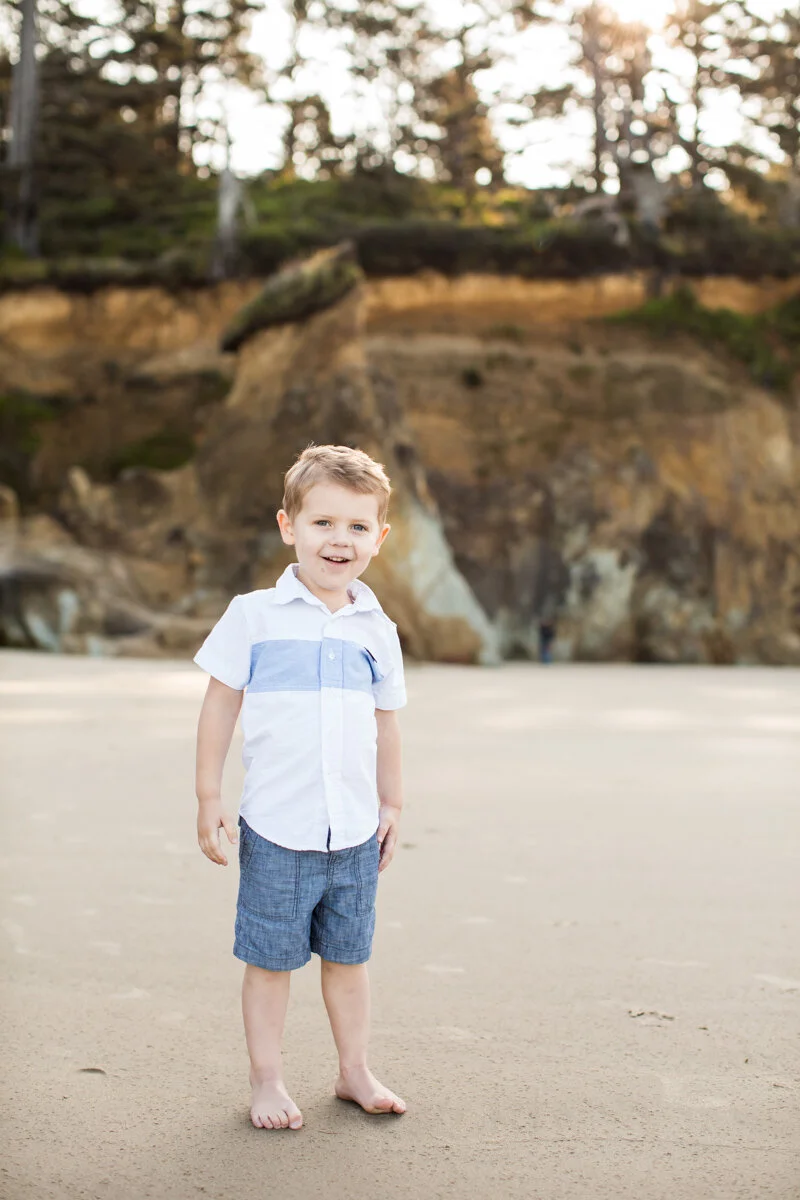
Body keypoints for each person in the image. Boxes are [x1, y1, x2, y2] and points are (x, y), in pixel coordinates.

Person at [193, 444, 407, 1131]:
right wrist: (208, 796)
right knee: (271, 961)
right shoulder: (254, 615)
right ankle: (267, 1080)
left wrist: (393, 803)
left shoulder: (378, 629)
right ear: (289, 526)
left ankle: (353, 1070)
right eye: (321, 523)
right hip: (277, 829)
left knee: (349, 960)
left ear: (380, 537)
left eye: (355, 526)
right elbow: (220, 704)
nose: (338, 540)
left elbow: (387, 726)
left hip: (352, 831)